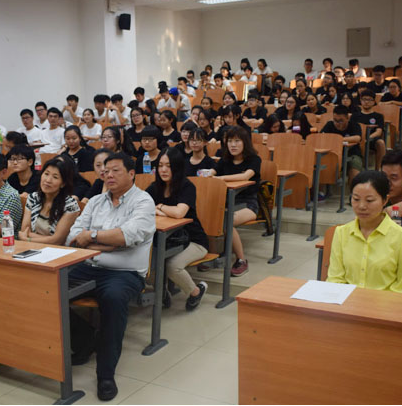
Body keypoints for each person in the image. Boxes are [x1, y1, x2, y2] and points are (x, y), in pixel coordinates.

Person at [65, 152, 155, 401]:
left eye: (116, 170)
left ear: (132, 174)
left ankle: (105, 375)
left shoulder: (143, 201)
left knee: (113, 300)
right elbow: (73, 236)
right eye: (106, 171)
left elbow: (127, 236)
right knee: (49, 289)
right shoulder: (95, 201)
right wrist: (108, 243)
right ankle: (85, 339)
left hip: (125, 273)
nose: (109, 175)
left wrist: (92, 237)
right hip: (88, 266)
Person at [327, 170, 402, 293]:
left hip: (385, 303)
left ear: (385, 200)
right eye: (356, 199)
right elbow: (335, 279)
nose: (361, 206)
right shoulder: (341, 233)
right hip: (348, 301)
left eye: (369, 200)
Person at [146, 147, 209, 310]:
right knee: (148, 262)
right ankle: (162, 291)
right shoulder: (154, 187)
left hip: (194, 241)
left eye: (168, 166)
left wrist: (159, 207)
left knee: (172, 266)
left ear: (177, 167)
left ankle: (195, 292)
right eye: (160, 165)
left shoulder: (187, 186)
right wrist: (164, 210)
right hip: (167, 241)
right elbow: (143, 207)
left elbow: (179, 213)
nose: (163, 170)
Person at [204, 126, 261, 277]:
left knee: (227, 220)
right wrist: (208, 174)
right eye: (229, 141)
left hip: (249, 204)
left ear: (245, 143)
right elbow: (212, 172)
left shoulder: (254, 160)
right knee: (208, 216)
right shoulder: (225, 160)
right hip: (227, 203)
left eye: (237, 141)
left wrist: (219, 178)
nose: (233, 145)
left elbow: (245, 176)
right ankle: (213, 256)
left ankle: (241, 260)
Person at [18, 155, 80, 244]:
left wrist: (28, 239)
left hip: (56, 250)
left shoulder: (70, 205)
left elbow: (58, 240)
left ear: (63, 184)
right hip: (31, 246)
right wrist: (48, 239)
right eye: (46, 174)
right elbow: (24, 230)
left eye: (55, 177)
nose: (48, 180)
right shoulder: (33, 198)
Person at [321, 105, 362, 183]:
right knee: (319, 168)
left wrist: (337, 139)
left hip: (352, 154)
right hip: (332, 154)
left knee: (355, 171)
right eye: (335, 120)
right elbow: (321, 137)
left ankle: (352, 190)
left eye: (340, 121)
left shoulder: (354, 125)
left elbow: (357, 138)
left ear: (347, 118)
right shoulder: (329, 124)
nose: (337, 123)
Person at [350, 89, 385, 169]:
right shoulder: (355, 116)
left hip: (371, 139)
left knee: (381, 143)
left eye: (369, 100)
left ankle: (378, 169)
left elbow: (379, 131)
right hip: (357, 139)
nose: (366, 102)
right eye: (364, 99)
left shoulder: (378, 116)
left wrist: (368, 138)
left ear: (373, 102)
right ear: (360, 100)